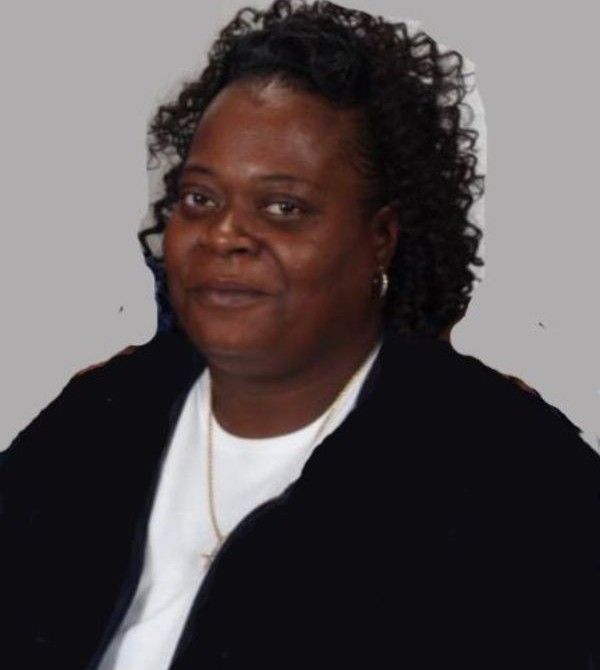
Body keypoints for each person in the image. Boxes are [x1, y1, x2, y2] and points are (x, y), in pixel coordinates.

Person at [1, 1, 599, 668]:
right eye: (200, 199)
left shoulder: (513, 479)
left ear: (381, 238)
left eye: (283, 208)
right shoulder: (92, 423)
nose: (224, 235)